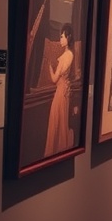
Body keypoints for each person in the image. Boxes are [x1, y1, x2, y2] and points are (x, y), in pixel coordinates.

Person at [44, 23, 74, 157]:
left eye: (62, 37)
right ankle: (61, 151)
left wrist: (50, 67)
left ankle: (54, 151)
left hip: (60, 93)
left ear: (68, 37)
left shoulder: (63, 58)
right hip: (65, 93)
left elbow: (54, 79)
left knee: (56, 121)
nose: (60, 40)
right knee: (62, 121)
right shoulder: (71, 55)